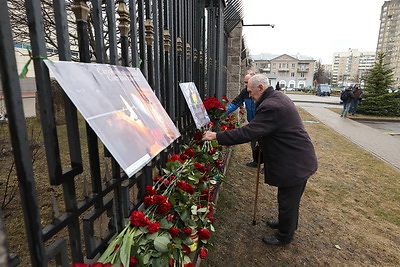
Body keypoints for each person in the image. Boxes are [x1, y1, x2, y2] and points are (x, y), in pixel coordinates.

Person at [203, 74, 318, 246]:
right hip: (295, 157)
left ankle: (284, 235)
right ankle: (286, 224)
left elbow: (248, 132)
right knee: (288, 198)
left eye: (250, 92)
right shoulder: (276, 97)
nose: (249, 96)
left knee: (288, 200)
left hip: (295, 160)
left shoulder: (271, 106)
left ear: (260, 88)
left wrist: (216, 135)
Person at [224, 72, 259, 168]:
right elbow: (235, 103)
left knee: (264, 144)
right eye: (245, 82)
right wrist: (223, 113)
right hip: (252, 122)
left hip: (261, 123)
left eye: (248, 82)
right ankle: (256, 161)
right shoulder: (245, 92)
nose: (246, 85)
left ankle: (267, 165)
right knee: (253, 143)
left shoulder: (259, 93)